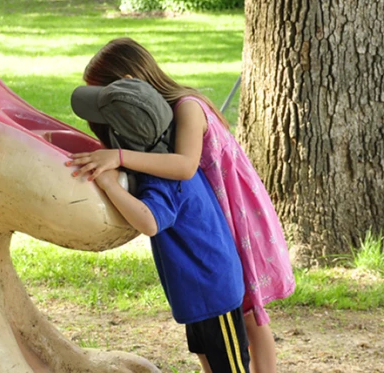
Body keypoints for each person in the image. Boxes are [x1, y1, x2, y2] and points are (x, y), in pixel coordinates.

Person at [67, 38, 295, 373]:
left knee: (247, 310)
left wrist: (116, 158)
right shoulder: (161, 129)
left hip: (231, 207)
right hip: (209, 214)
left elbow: (185, 165)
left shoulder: (185, 108)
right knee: (233, 320)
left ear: (129, 85)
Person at [70, 78, 250, 373]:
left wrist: (109, 184)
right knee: (210, 360)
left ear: (118, 139)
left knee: (230, 368)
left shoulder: (164, 179)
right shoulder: (164, 158)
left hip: (214, 290)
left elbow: (149, 222)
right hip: (200, 290)